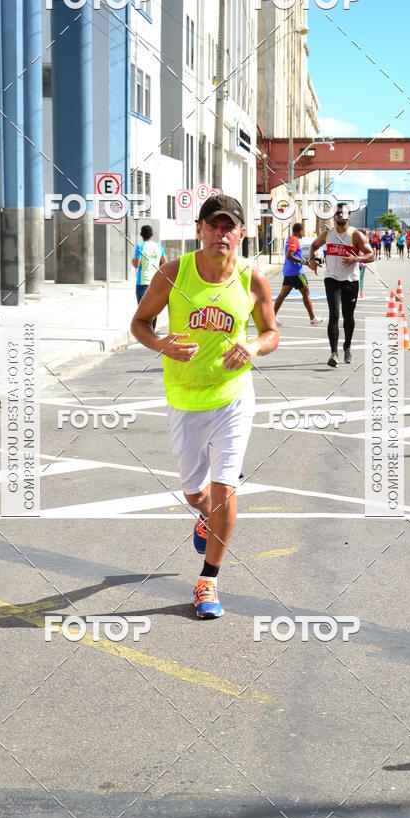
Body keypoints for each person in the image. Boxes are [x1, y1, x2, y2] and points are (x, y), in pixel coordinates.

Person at [130, 194, 278, 619]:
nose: (221, 233)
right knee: (197, 493)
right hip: (185, 399)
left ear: (242, 234)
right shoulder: (173, 274)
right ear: (199, 230)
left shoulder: (252, 280)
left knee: (225, 487)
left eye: (229, 226)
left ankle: (208, 579)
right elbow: (139, 323)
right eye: (214, 225)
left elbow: (271, 332)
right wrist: (161, 344)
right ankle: (205, 515)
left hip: (233, 397)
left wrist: (253, 346)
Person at [307, 203, 375, 367]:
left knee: (348, 317)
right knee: (334, 315)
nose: (339, 215)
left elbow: (371, 255)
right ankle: (334, 353)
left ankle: (347, 346)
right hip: (331, 279)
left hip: (350, 281)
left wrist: (356, 259)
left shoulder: (355, 235)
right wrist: (312, 260)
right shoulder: (328, 234)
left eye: (342, 213)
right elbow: (314, 246)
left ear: (348, 216)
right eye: (336, 213)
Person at [273, 222, 325, 326]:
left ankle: (271, 318)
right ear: (300, 231)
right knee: (306, 293)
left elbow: (295, 255)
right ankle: (313, 318)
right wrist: (303, 261)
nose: (303, 233)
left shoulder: (290, 239)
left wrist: (307, 263)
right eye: (303, 231)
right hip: (296, 273)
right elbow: (289, 255)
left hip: (288, 272)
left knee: (282, 295)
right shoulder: (294, 240)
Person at [132, 225, 167, 331]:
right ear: (152, 234)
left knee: (143, 311)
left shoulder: (140, 247)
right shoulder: (159, 247)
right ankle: (152, 331)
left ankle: (147, 333)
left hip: (142, 283)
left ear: (141, 235)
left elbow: (136, 264)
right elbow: (165, 263)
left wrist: (133, 261)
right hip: (156, 282)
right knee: (154, 308)